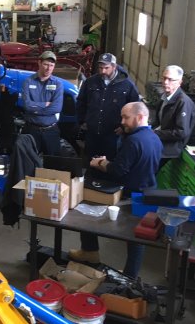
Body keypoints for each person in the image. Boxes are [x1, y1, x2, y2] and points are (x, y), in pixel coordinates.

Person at [69, 102, 162, 278]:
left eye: (126, 117)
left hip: (129, 196)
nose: (122, 121)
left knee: (86, 212)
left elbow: (118, 170)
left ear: (139, 117)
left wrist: (101, 163)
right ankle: (127, 272)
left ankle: (96, 255)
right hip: (147, 190)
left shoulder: (134, 140)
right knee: (137, 236)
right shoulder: (154, 137)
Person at [76, 53, 140, 161]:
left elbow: (135, 108)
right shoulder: (90, 82)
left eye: (106, 68)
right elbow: (81, 102)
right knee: (90, 162)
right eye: (100, 68)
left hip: (113, 135)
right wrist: (82, 121)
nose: (103, 71)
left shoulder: (127, 85)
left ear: (114, 67)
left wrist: (124, 127)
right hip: (92, 134)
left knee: (110, 163)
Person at [153, 65, 195, 166]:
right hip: (159, 140)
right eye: (164, 78)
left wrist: (156, 133)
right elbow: (159, 122)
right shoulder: (164, 97)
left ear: (179, 82)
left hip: (170, 148)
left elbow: (181, 132)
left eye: (170, 79)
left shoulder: (183, 102)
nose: (165, 82)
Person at [22, 51, 63, 155]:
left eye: (51, 65)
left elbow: (57, 108)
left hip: (51, 131)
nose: (48, 68)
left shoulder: (58, 84)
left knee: (52, 162)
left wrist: (35, 109)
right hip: (31, 131)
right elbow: (27, 105)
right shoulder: (28, 81)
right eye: (46, 64)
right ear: (39, 63)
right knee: (29, 161)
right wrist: (45, 104)